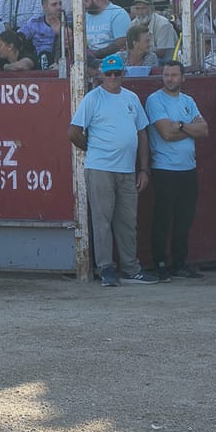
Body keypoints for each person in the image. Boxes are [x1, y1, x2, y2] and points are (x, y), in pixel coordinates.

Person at [70, 54, 154, 287]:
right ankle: (107, 267)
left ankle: (129, 267)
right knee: (103, 220)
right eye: (109, 74)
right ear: (102, 75)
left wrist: (144, 169)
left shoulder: (131, 98)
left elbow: (142, 133)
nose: (113, 77)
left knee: (127, 220)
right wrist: (93, 149)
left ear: (123, 74)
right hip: (101, 168)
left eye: (117, 73)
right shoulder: (92, 98)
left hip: (126, 169)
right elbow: (73, 132)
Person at [143, 58, 207, 279]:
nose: (169, 79)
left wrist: (179, 125)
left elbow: (204, 130)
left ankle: (179, 263)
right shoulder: (155, 100)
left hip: (188, 168)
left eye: (174, 75)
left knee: (184, 219)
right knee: (163, 218)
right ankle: (160, 263)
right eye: (166, 75)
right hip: (165, 168)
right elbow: (166, 134)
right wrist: (189, 129)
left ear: (183, 78)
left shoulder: (188, 100)